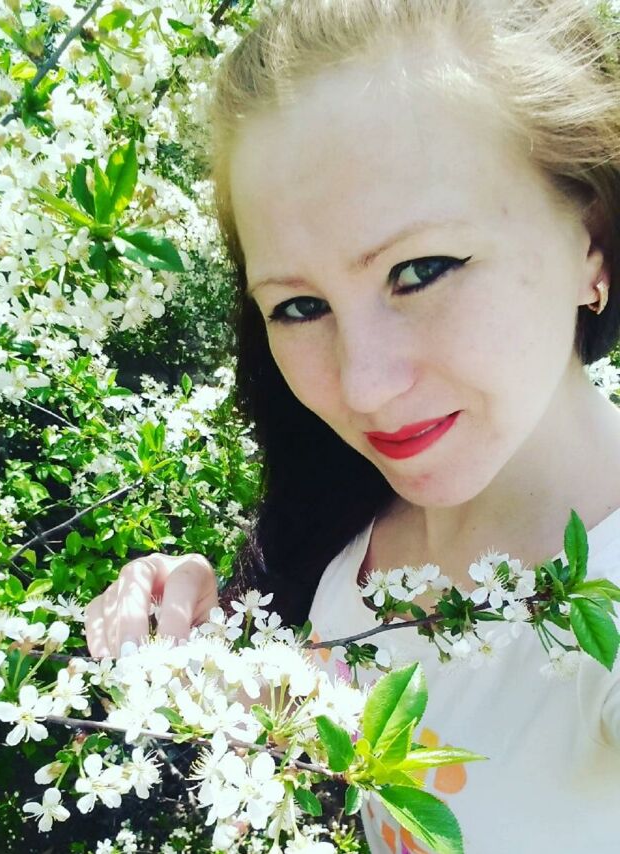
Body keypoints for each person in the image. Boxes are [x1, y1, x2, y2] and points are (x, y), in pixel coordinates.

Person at [85, 0, 620, 850]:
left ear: (591, 236)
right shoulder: (349, 525)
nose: (364, 388)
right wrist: (216, 647)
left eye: (422, 269)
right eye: (299, 307)